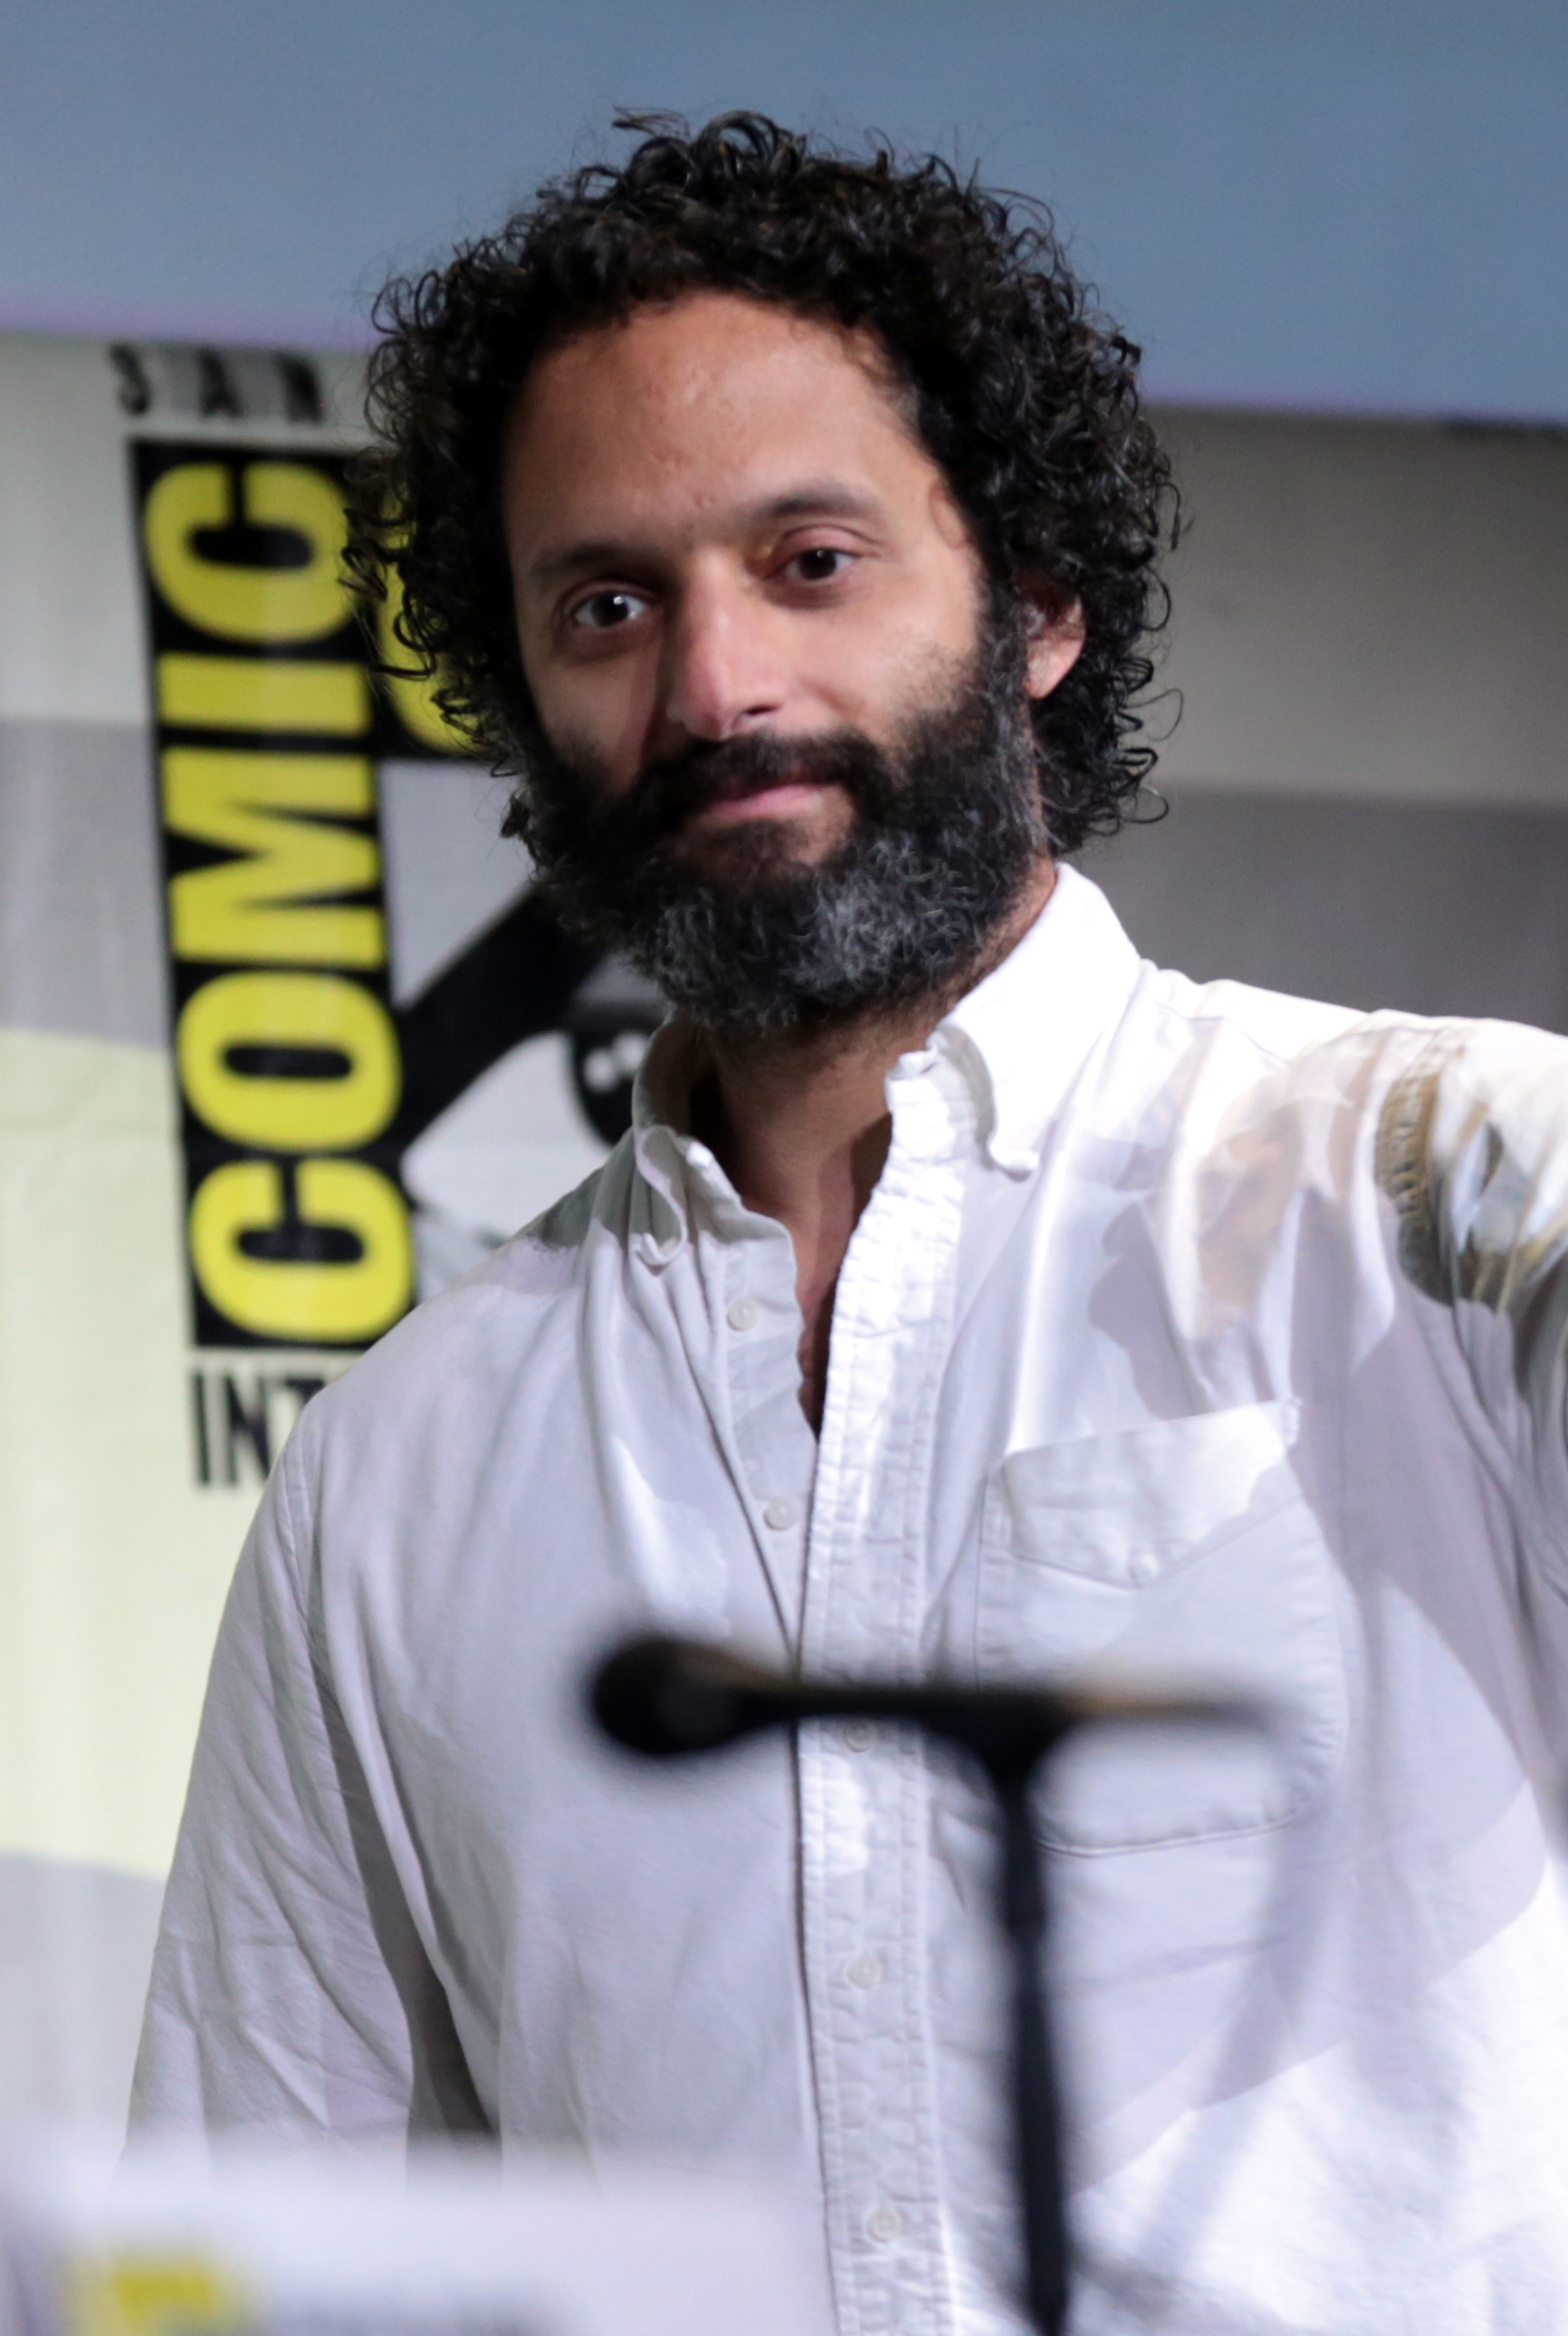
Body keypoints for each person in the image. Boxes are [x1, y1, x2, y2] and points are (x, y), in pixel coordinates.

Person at [131, 112, 1568, 2334]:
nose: (716, 693)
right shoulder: (394, 1472)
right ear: (519, 704)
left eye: (809, 562)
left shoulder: (1438, 1179)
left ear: (1037, 605)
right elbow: (250, 2253)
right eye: (607, 605)